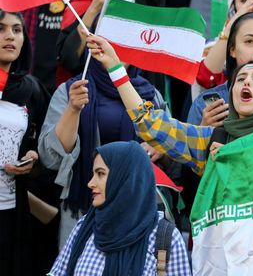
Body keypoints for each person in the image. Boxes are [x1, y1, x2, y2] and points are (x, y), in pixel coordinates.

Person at [86, 35, 253, 175]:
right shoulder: (212, 139)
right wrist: (115, 67)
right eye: (240, 79)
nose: (246, 82)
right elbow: (151, 124)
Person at [40, 38, 167, 247]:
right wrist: (73, 110)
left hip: (135, 207)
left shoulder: (150, 94)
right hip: (83, 205)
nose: (116, 49)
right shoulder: (72, 89)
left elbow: (171, 144)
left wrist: (159, 146)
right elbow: (50, 158)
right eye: (112, 39)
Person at [48, 141, 191, 275]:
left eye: (100, 174)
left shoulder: (165, 238)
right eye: (93, 174)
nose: (90, 183)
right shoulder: (85, 226)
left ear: (125, 178)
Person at [0, 10, 54, 276]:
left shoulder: (31, 90)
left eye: (16, 30)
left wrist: (33, 160)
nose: (10, 35)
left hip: (11, 210)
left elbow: (43, 150)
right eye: (0, 28)